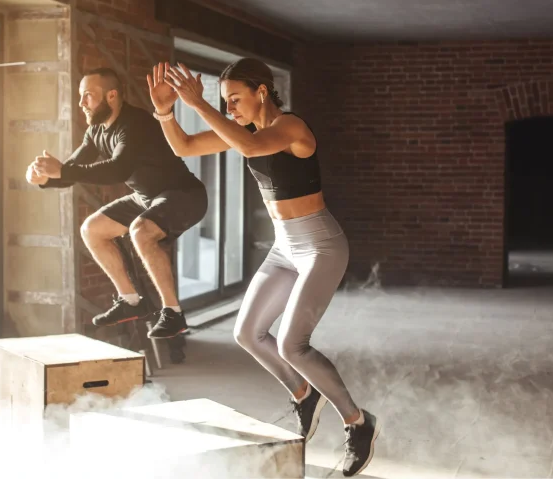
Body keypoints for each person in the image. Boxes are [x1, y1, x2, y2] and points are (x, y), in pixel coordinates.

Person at [146, 59, 380, 476]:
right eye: (225, 102)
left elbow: (252, 149)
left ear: (262, 91)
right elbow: (184, 147)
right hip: (285, 247)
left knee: (293, 345)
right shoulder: (247, 132)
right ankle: (303, 393)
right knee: (247, 332)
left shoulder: (292, 128)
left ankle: (358, 423)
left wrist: (199, 104)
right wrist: (166, 112)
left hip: (321, 246)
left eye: (235, 99)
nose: (231, 108)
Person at [27, 67, 207, 339]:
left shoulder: (136, 123)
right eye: (80, 96)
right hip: (146, 197)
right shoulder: (96, 130)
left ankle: (173, 314)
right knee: (92, 229)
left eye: (87, 96)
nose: (81, 103)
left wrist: (61, 171)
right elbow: (71, 170)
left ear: (111, 96)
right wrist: (43, 178)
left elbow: (118, 170)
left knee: (141, 230)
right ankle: (131, 301)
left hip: (184, 194)